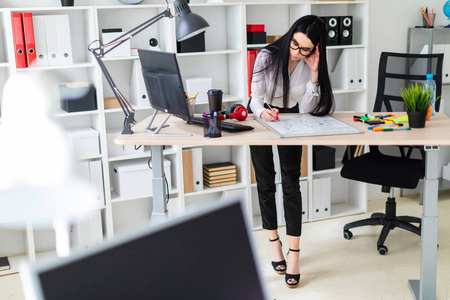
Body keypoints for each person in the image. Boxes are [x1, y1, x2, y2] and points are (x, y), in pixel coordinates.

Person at [249, 15, 334, 288]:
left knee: (291, 184)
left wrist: (314, 72)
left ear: (315, 49)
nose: (296, 52)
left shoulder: (309, 62)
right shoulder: (267, 56)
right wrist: (263, 112)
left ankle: (294, 254)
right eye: (295, 44)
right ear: (290, 36)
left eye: (305, 49)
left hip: (292, 120)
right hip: (262, 116)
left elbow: (307, 108)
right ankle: (274, 244)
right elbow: (255, 98)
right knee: (265, 184)